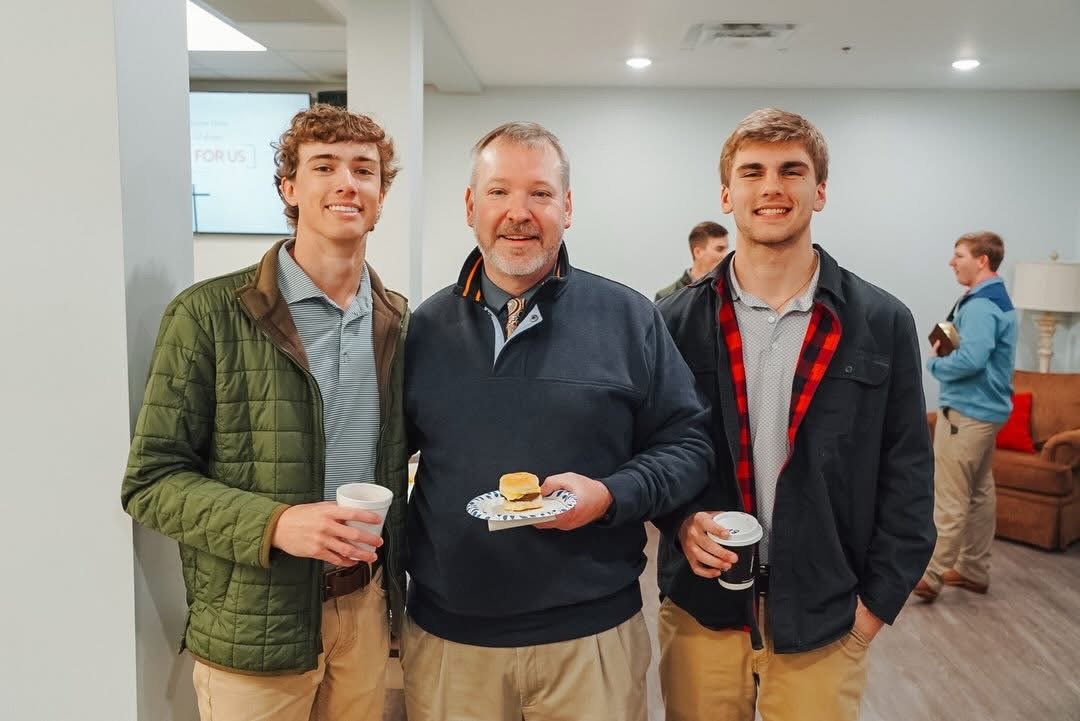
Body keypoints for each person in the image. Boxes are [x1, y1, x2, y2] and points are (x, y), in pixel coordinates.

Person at [401, 121, 712, 721]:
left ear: (567, 208)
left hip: (592, 641)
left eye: (540, 193)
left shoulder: (628, 319)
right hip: (451, 643)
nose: (519, 212)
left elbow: (687, 444)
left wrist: (611, 495)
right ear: (471, 206)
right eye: (499, 192)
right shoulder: (423, 329)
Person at [121, 104, 409, 721]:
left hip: (363, 613)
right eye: (324, 166)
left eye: (365, 170)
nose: (346, 183)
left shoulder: (397, 322)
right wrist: (277, 523)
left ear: (382, 195)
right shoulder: (208, 315)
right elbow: (151, 483)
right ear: (289, 188)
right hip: (254, 619)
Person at [655, 108, 935, 721]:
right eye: (752, 171)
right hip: (703, 614)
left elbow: (909, 475)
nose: (772, 187)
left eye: (792, 171)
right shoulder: (674, 324)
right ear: (728, 193)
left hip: (828, 618)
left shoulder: (881, 323)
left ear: (821, 190)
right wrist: (679, 521)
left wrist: (873, 610)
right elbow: (654, 453)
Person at [914, 231, 1017, 602]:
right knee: (979, 492)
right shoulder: (993, 299)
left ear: (982, 260)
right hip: (987, 413)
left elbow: (972, 360)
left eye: (959, 255)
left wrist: (934, 366)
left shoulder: (980, 306)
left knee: (951, 495)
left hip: (967, 413)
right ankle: (973, 569)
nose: (952, 262)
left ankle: (931, 575)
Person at [655, 221, 730, 301]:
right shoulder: (665, 297)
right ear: (697, 252)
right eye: (719, 249)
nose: (726, 255)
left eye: (726, 249)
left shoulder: (731, 291)